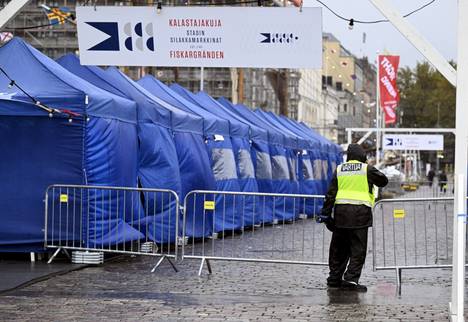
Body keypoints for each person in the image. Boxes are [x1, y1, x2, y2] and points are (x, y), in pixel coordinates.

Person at [316, 144, 388, 292]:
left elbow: (330, 194)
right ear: (362, 156)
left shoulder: (339, 169)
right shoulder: (366, 169)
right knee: (358, 249)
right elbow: (383, 181)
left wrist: (325, 214)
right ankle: (350, 280)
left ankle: (334, 278)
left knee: (338, 249)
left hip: (341, 215)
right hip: (360, 215)